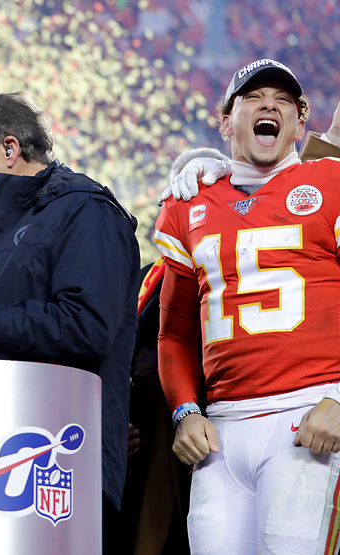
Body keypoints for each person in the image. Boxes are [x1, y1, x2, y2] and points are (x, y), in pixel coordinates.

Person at [0, 91, 141, 545]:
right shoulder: (1, 229)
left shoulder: (86, 211)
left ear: (9, 148)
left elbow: (87, 327)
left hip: (57, 469)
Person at [155, 58, 340, 554]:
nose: (269, 106)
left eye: (282, 101)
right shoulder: (187, 203)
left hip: (308, 415)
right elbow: (174, 331)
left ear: (301, 125)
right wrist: (184, 411)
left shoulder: (330, 183)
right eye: (254, 98)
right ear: (225, 119)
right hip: (221, 432)